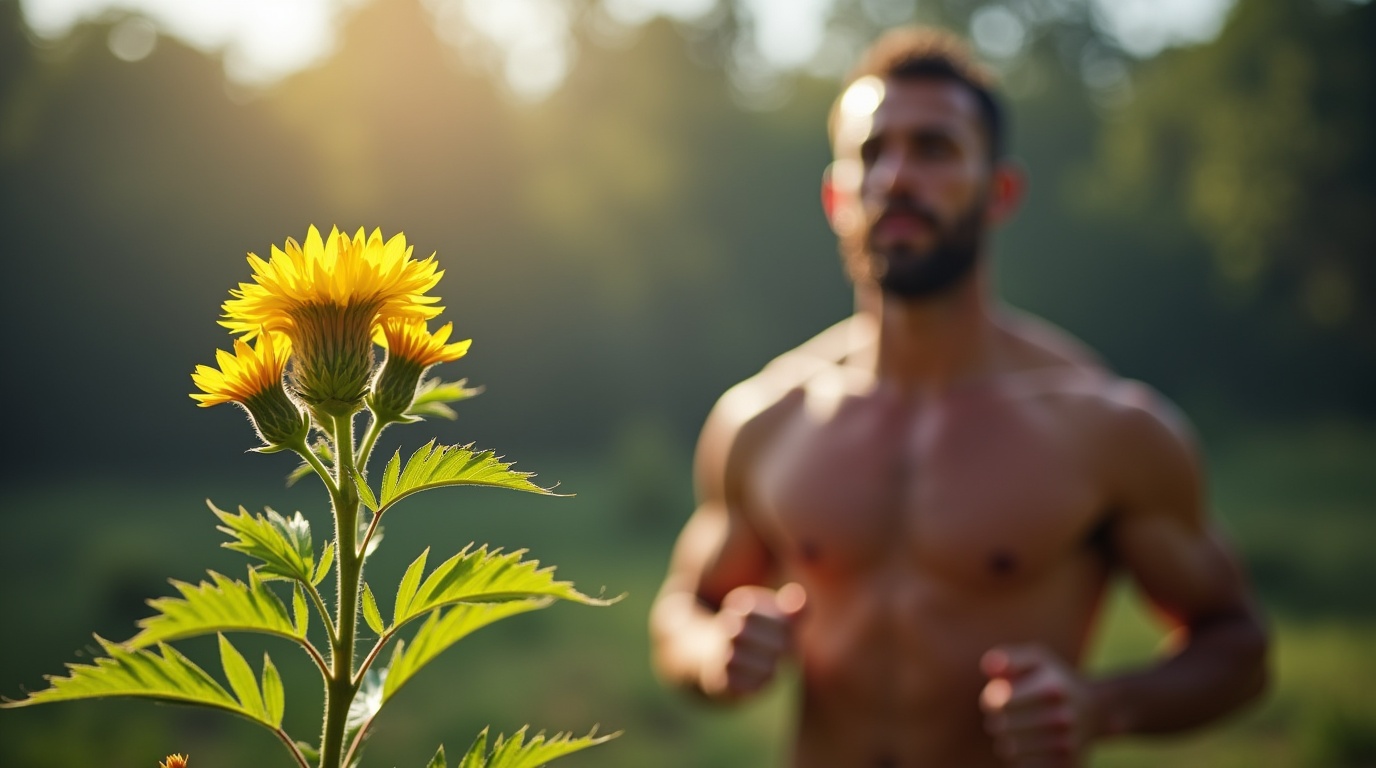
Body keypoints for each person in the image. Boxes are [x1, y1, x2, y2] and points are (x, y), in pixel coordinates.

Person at [648, 26, 1269, 768]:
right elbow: (681, 609)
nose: (896, 177)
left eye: (934, 148)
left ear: (999, 191)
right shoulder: (764, 418)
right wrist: (712, 651)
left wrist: (1100, 706)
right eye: (872, 153)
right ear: (836, 195)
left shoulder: (1104, 429)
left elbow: (1239, 647)